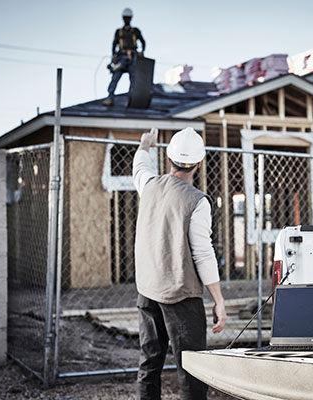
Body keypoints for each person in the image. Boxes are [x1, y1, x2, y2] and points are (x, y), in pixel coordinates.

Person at [132, 127, 227, 400]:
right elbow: (202, 254)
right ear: (199, 163)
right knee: (191, 367)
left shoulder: (149, 185)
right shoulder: (197, 202)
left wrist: (145, 144)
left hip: (148, 291)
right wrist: (218, 300)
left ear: (168, 158)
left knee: (149, 361)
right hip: (180, 297)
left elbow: (140, 165)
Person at [103, 7, 146, 106]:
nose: (127, 20)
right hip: (121, 57)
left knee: (134, 79)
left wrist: (141, 52)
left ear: (130, 18)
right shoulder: (119, 32)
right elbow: (114, 45)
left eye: (128, 18)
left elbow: (143, 42)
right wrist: (113, 57)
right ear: (123, 18)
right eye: (125, 18)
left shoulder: (135, 31)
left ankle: (130, 99)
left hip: (133, 58)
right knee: (115, 77)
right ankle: (110, 97)